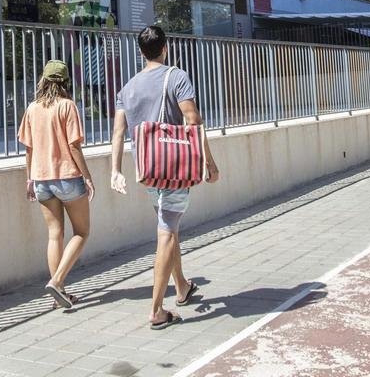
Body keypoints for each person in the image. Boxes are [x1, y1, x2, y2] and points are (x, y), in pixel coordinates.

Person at [111, 25, 220, 330]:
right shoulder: (177, 76)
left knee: (168, 227)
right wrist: (209, 162)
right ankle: (157, 310)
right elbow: (193, 119)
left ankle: (182, 287)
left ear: (140, 51)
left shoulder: (127, 87)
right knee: (167, 233)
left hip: (146, 170)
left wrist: (115, 170)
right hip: (173, 168)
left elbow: (119, 131)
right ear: (165, 47)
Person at [18, 59, 94, 310]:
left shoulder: (32, 108)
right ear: (64, 82)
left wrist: (29, 178)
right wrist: (88, 176)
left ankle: (58, 293)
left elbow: (28, 148)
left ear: (44, 80)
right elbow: (73, 145)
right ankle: (57, 281)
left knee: (54, 234)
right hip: (67, 177)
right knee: (81, 232)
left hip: (41, 180)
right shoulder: (67, 106)